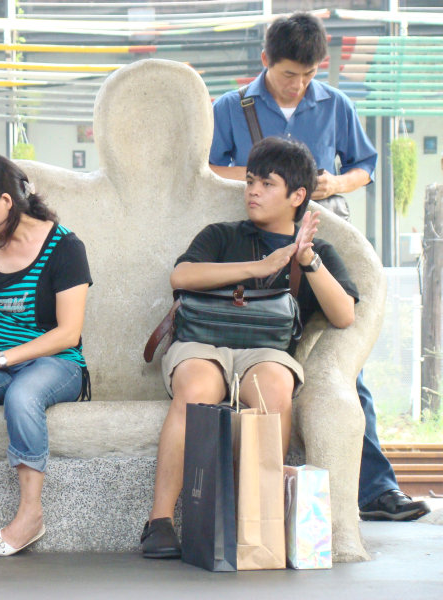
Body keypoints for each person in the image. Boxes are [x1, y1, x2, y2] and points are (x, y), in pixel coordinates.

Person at [208, 12, 429, 522]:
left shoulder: (336, 103)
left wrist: (333, 185)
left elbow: (365, 167)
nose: (300, 85)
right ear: (265, 61)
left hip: (322, 246)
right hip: (256, 254)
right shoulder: (231, 107)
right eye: (289, 74)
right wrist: (270, 179)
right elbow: (210, 168)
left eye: (310, 75)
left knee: (342, 364)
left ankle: (374, 490)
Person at [142, 137, 357, 559]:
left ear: (298, 196)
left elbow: (344, 315)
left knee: (274, 390)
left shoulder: (317, 249)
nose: (253, 191)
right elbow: (181, 277)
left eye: (267, 185)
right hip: (203, 343)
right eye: (250, 181)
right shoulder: (222, 235)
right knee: (196, 392)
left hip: (267, 351)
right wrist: (260, 268)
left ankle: (259, 519)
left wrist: (307, 260)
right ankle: (160, 521)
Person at [0, 153, 92, 556]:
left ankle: (30, 515)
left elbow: (68, 333)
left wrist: (2, 359)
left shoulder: (65, 246)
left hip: (55, 361)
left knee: (24, 398)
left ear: (6, 201)